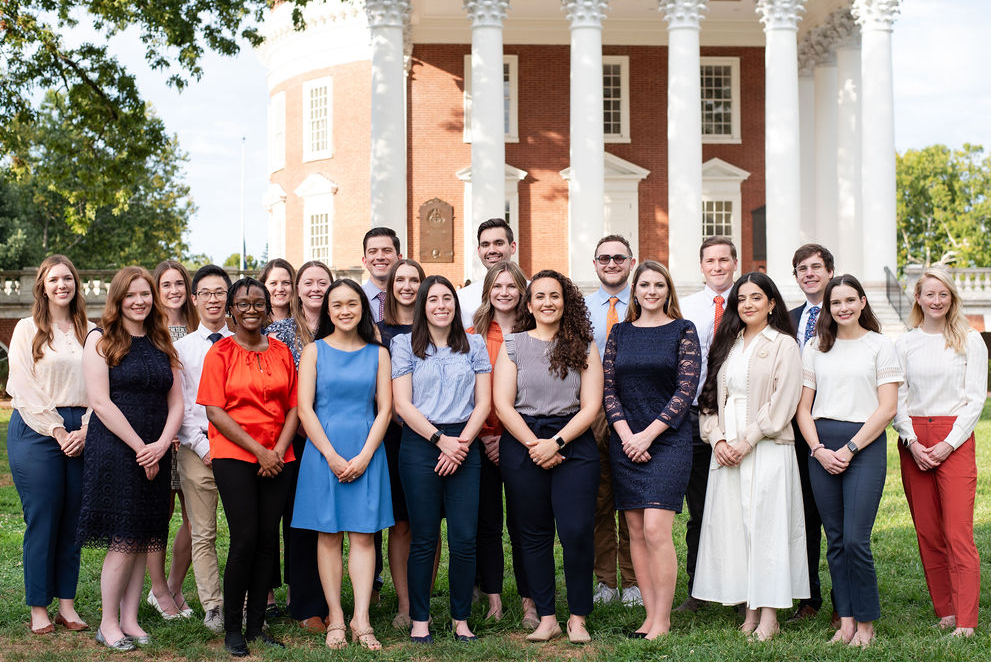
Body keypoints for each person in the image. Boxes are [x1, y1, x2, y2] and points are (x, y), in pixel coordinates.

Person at [693, 272, 807, 642]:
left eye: (756, 297)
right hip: (727, 451)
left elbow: (784, 400)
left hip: (768, 447)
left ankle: (769, 613)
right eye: (741, 299)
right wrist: (719, 440)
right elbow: (709, 399)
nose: (747, 304)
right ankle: (749, 608)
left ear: (772, 303)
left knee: (766, 527)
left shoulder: (784, 345)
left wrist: (748, 440)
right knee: (737, 527)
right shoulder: (729, 344)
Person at [77, 266, 184, 651]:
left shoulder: (161, 340)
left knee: (145, 535)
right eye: (131, 295)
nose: (139, 301)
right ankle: (108, 623)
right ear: (118, 299)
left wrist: (162, 443)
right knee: (123, 538)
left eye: (145, 294)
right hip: (119, 450)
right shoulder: (100, 340)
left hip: (156, 448)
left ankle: (130, 619)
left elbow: (177, 402)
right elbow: (101, 403)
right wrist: (142, 447)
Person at [493, 270, 602, 645]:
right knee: (532, 534)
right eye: (539, 296)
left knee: (575, 531)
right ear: (529, 304)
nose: (547, 303)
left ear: (565, 301)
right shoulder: (513, 344)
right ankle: (547, 617)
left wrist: (555, 443)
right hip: (523, 442)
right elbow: (503, 406)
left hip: (573, 440)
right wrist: (534, 445)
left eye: (554, 296)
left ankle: (577, 617)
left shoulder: (585, 345)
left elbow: (591, 407)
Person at [796, 274, 902, 648]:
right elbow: (802, 408)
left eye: (848, 301)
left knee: (857, 540)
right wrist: (818, 449)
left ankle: (867, 625)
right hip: (822, 446)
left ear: (861, 303)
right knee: (836, 540)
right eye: (835, 302)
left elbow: (887, 407)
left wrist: (850, 449)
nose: (842, 308)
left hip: (864, 445)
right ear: (827, 307)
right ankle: (845, 622)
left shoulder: (880, 346)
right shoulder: (814, 347)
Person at [198, 277, 299, 657]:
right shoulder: (220, 353)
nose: (252, 309)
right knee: (244, 540)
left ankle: (257, 626)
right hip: (236, 456)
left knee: (268, 541)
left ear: (268, 308)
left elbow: (293, 406)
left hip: (279, 456)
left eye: (259, 302)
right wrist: (260, 450)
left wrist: (278, 450)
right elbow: (214, 410)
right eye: (243, 303)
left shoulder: (282, 352)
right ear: (231, 310)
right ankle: (232, 629)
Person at [294, 279, 394, 651]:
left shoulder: (378, 353)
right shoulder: (314, 352)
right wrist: (332, 456)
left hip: (368, 450)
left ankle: (362, 619)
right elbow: (305, 409)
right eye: (337, 305)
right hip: (324, 454)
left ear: (363, 308)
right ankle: (336, 615)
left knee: (364, 536)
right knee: (329, 535)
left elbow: (385, 409)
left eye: (352, 303)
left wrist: (366, 454)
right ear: (328, 311)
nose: (345, 310)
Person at [391, 275, 492, 644]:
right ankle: (420, 619)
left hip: (466, 442)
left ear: (455, 303)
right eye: (432, 299)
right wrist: (439, 440)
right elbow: (401, 404)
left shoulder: (475, 344)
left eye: (446, 298)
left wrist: (460, 444)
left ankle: (461, 619)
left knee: (464, 538)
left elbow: (484, 402)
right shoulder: (404, 345)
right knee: (425, 538)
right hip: (420, 445)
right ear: (422, 306)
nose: (440, 305)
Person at [603, 261, 700, 639]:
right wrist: (628, 436)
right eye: (645, 284)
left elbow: (685, 390)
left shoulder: (683, 331)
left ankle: (663, 619)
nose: (652, 291)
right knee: (636, 531)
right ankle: (648, 615)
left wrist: (648, 436)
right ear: (635, 290)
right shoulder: (620, 333)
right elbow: (609, 390)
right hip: (625, 441)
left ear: (668, 290)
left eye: (659, 284)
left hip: (668, 441)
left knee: (658, 530)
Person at [893, 269, 986, 638]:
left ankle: (966, 621)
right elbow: (897, 398)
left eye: (943, 294)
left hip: (955, 438)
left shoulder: (969, 339)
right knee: (928, 531)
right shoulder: (905, 343)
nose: (936, 300)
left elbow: (976, 398)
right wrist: (913, 441)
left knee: (957, 531)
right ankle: (945, 610)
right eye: (929, 294)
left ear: (952, 298)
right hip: (914, 438)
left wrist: (949, 442)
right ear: (918, 297)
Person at [7, 255, 94, 635]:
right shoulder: (28, 329)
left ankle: (67, 605)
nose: (62, 285)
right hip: (37, 427)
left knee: (73, 519)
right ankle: (38, 607)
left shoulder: (92, 331)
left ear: (77, 284)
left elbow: (100, 387)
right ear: (42, 286)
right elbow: (23, 387)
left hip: (83, 430)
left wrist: (87, 429)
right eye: (54, 279)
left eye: (68, 278)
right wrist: (59, 431)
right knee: (43, 517)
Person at [265, 260, 333, 628]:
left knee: (329, 522)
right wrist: (306, 431)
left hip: (340, 437)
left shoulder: (343, 323)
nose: (315, 288)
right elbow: (279, 391)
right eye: (308, 282)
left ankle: (323, 599)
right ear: (297, 287)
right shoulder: (278, 331)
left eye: (323, 282)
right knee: (299, 520)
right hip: (296, 439)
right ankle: (304, 601)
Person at [468, 260, 535, 626]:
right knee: (488, 524)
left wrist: (508, 436)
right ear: (488, 291)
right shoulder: (471, 334)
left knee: (525, 522)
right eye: (498, 286)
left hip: (521, 440)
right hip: (480, 441)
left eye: (512, 286)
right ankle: (493, 599)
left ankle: (529, 600)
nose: (505, 293)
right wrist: (486, 436)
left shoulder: (535, 331)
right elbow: (466, 392)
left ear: (522, 291)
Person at [675, 235, 737, 612]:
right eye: (710, 261)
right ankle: (698, 589)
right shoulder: (687, 307)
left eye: (724, 260)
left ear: (734, 263)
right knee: (699, 510)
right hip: (695, 415)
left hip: (736, 419)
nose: (717, 266)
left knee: (737, 507)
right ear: (701, 266)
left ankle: (741, 588)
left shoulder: (748, 302)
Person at [174, 264, 234, 634]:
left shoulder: (242, 343)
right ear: (194, 300)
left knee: (245, 530)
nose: (213, 300)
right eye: (206, 293)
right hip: (197, 450)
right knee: (203, 532)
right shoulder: (180, 349)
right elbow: (179, 404)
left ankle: (244, 600)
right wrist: (202, 445)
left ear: (228, 299)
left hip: (239, 449)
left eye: (219, 293)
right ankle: (213, 605)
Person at [585, 235, 640, 607]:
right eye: (604, 258)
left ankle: (634, 581)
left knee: (633, 499)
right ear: (595, 263)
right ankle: (605, 582)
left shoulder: (646, 301)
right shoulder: (583, 308)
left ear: (631, 262)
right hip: (592, 410)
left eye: (619, 258)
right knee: (599, 497)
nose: (611, 263)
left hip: (636, 410)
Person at [146, 259, 198, 621]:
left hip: (194, 435)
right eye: (166, 285)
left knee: (196, 518)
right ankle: (157, 591)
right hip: (161, 434)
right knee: (158, 515)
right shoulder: (149, 330)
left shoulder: (200, 328)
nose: (174, 290)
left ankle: (175, 586)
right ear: (156, 290)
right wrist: (168, 432)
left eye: (179, 283)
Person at [376, 258, 425, 630]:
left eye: (414, 280)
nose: (407, 286)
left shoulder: (437, 326)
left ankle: (422, 598)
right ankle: (405, 605)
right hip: (393, 436)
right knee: (402, 523)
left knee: (428, 522)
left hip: (433, 435)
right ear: (390, 286)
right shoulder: (378, 331)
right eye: (400, 280)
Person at [787, 244, 835, 624]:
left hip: (834, 425)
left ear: (830, 272)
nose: (809, 273)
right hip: (794, 428)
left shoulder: (846, 313)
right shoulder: (788, 319)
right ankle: (808, 597)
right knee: (803, 516)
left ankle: (843, 601)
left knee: (836, 516)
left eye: (816, 267)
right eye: (802, 268)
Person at [458, 218, 518, 327]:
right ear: (479, 251)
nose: (491, 250)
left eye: (499, 243)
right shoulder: (462, 298)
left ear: (512, 247)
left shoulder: (532, 292)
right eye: (485, 245)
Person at [361, 227, 403, 323]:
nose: (380, 257)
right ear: (365, 261)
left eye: (387, 250)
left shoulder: (410, 298)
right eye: (373, 251)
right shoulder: (355, 297)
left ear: (399, 259)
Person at [260, 258, 296, 324]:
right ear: (263, 286)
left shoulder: (305, 323)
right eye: (273, 283)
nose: (280, 289)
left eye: (286, 283)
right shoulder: (255, 324)